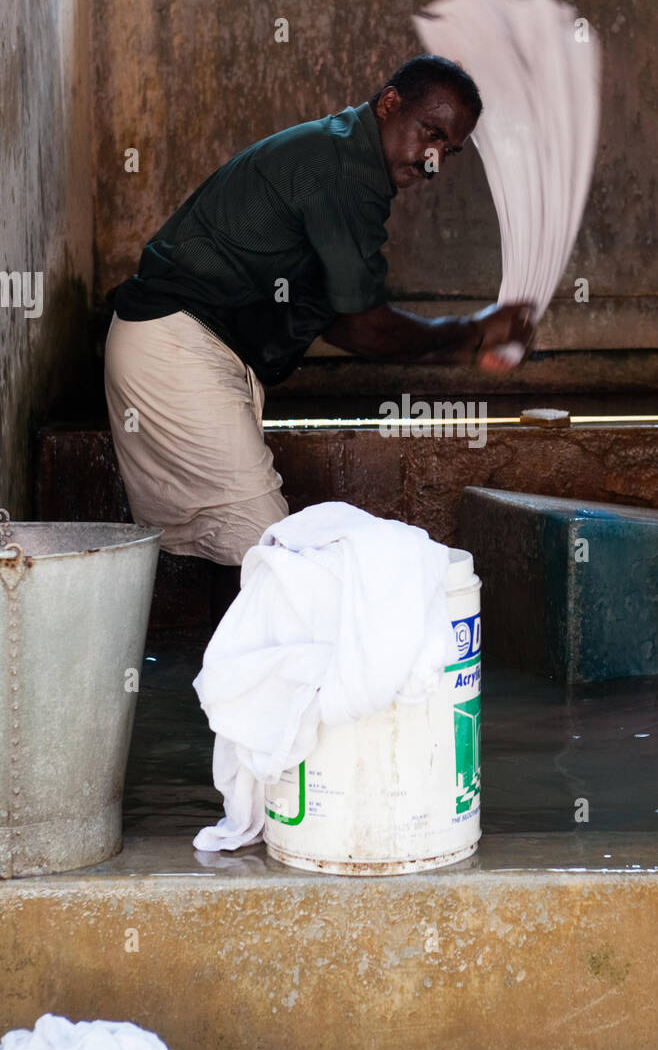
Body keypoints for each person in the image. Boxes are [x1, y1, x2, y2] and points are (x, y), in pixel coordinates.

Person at [104, 54, 533, 625]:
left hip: (193, 348)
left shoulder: (344, 156)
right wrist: (472, 334)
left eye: (448, 152)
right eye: (431, 135)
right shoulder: (345, 172)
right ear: (388, 104)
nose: (433, 162)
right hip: (177, 347)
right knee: (269, 548)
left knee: (243, 551)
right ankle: (271, 700)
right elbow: (360, 326)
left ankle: (229, 697)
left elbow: (331, 310)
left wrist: (466, 336)